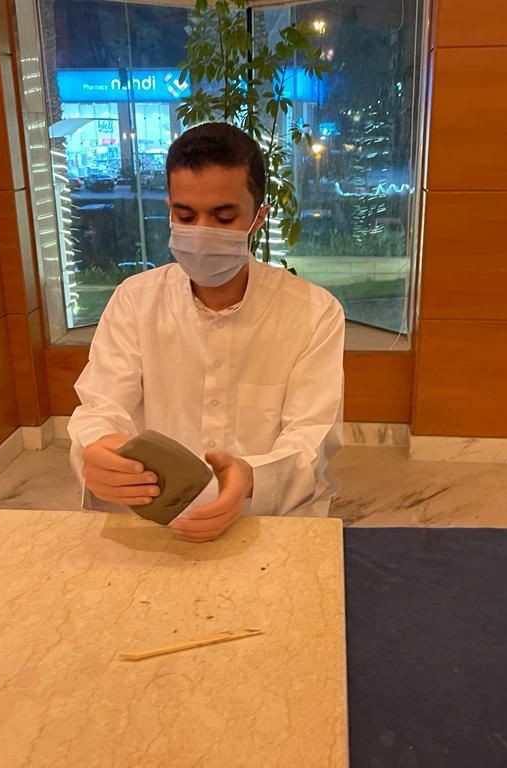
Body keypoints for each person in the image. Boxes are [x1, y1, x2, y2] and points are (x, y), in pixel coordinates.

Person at [68, 122, 344, 543]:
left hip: (267, 520)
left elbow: (312, 437)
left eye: (223, 216)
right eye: (185, 216)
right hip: (156, 516)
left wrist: (250, 477)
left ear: (258, 217)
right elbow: (101, 406)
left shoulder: (313, 313)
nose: (201, 232)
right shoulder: (136, 300)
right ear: (169, 210)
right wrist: (100, 450)